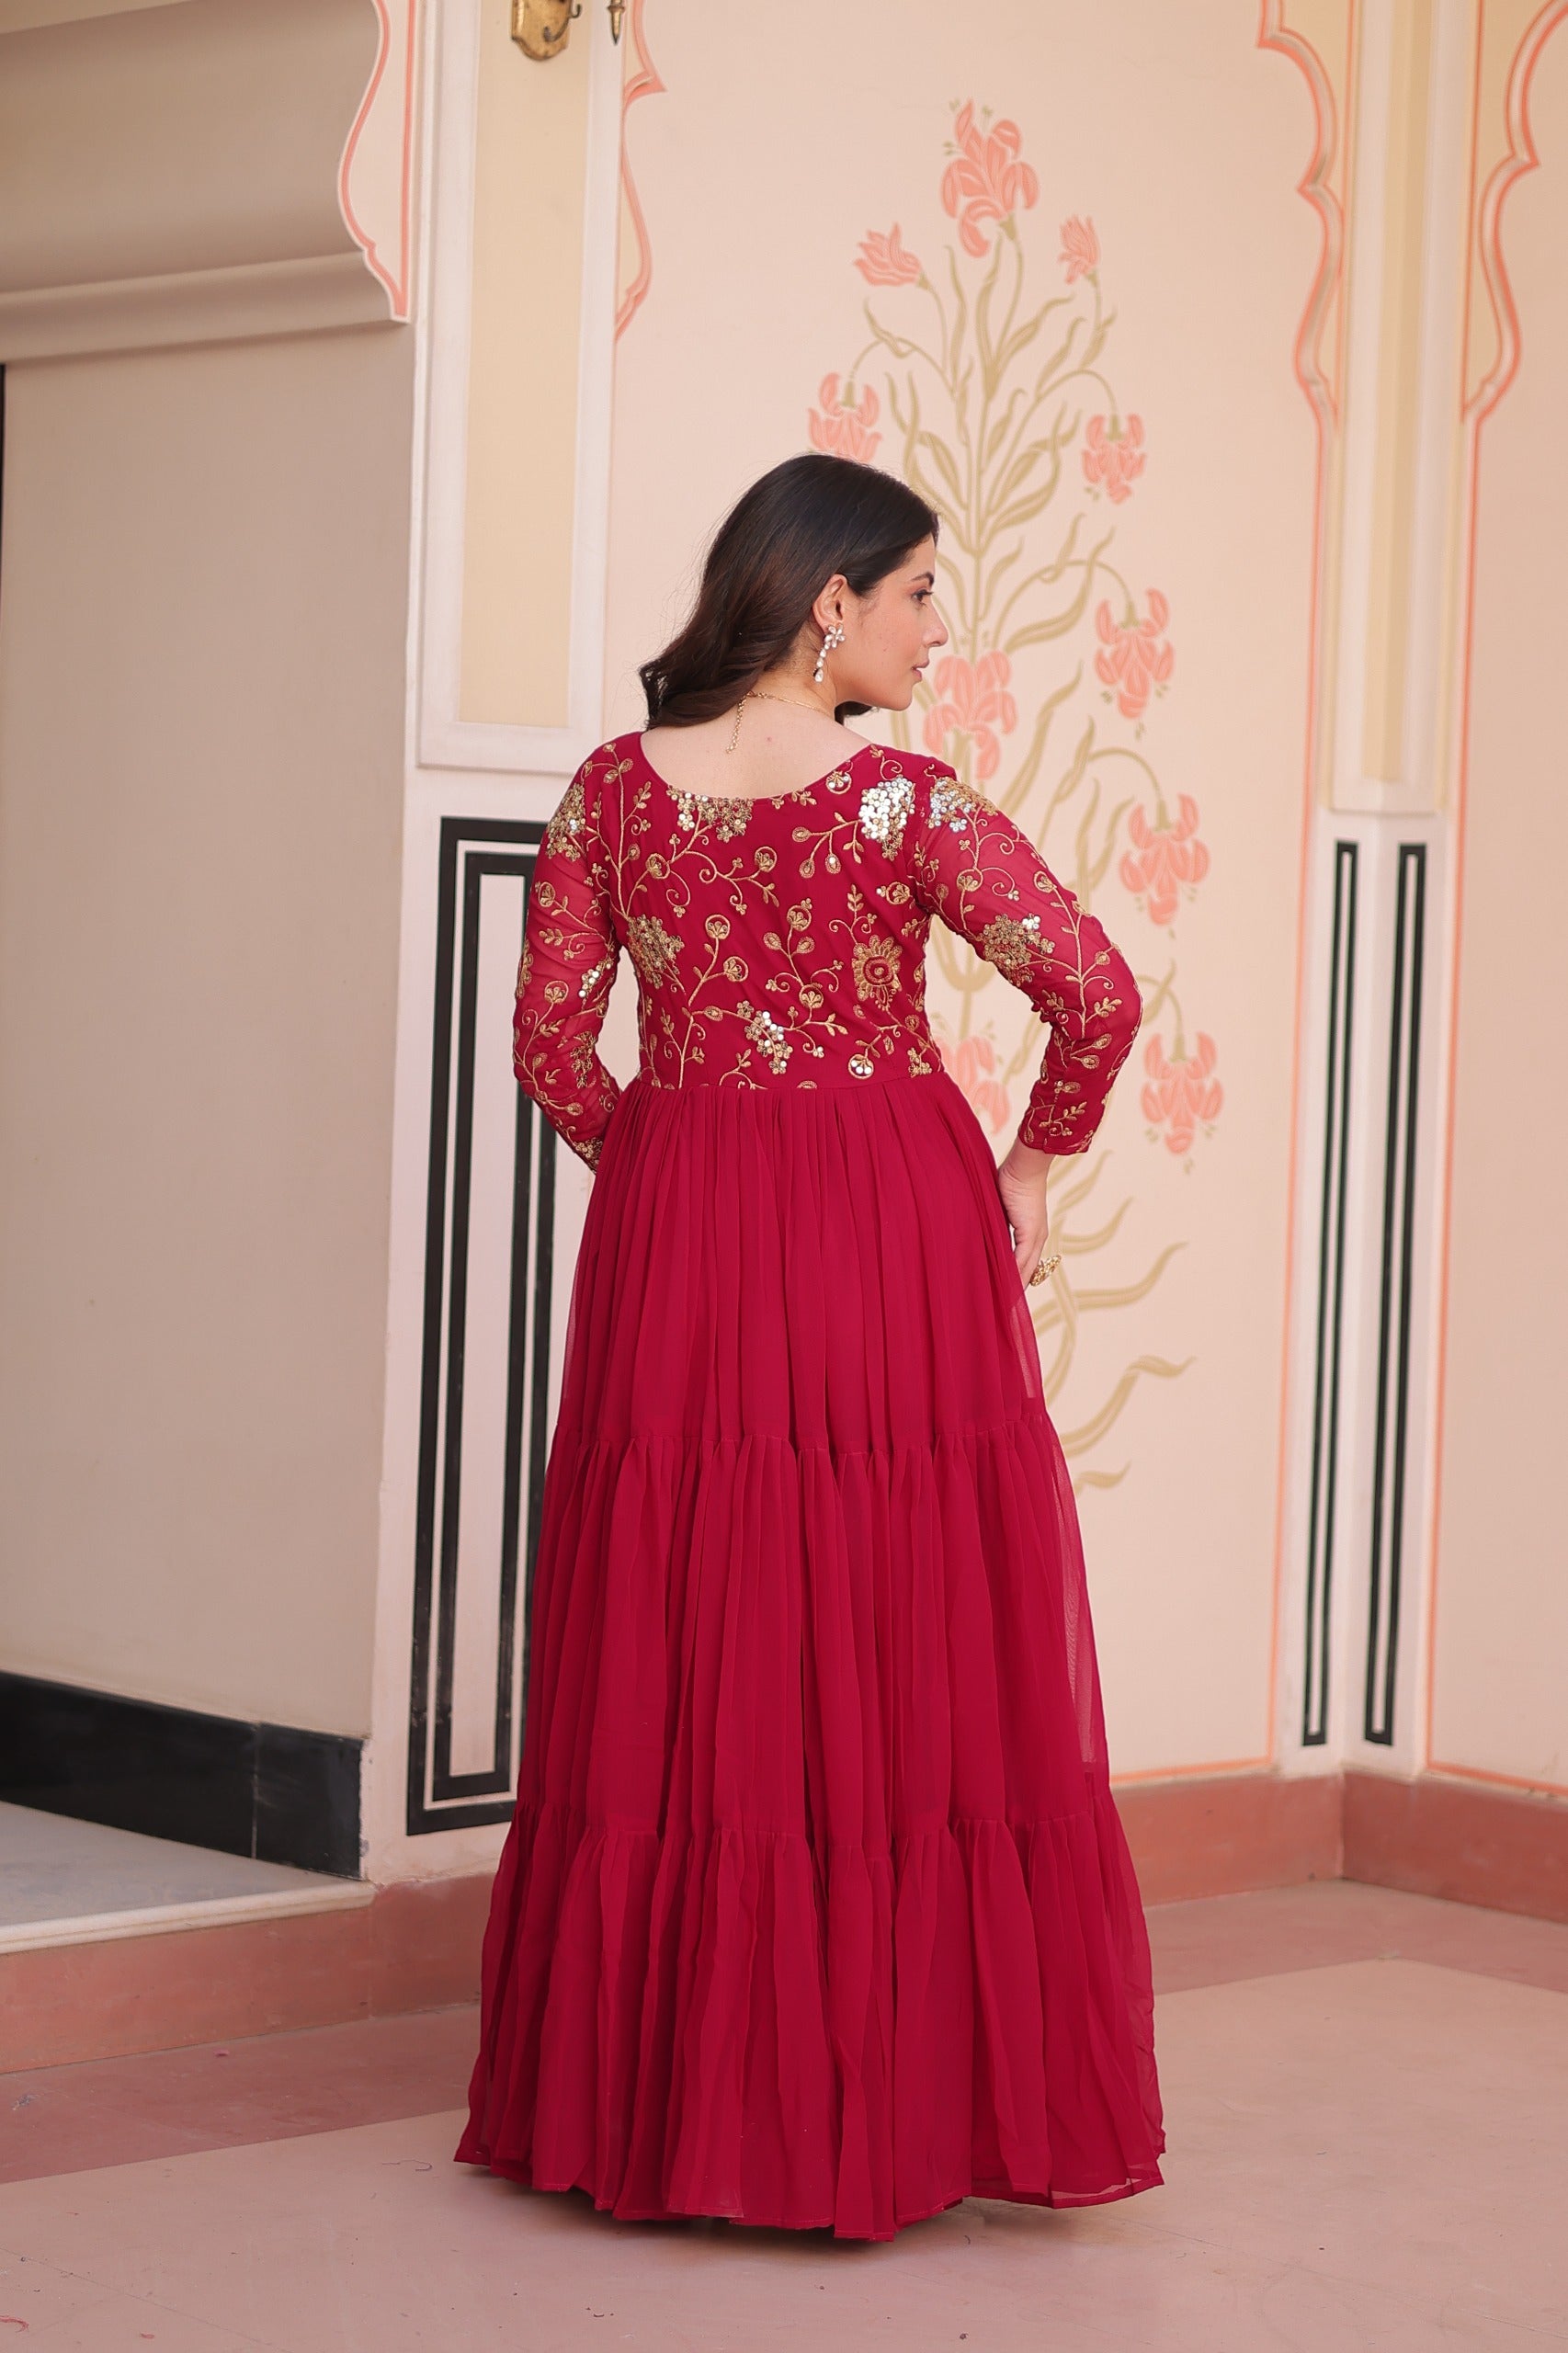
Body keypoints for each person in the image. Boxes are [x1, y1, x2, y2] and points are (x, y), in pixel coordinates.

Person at [456, 451, 1165, 2240]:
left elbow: (549, 1052)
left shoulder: (610, 794)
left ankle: (672, 2112)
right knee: (883, 1617)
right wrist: (1024, 1165)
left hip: (681, 1240)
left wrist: (668, 1165)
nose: (936, 630)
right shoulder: (900, 804)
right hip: (887, 1234)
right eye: (918, 593)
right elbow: (1093, 990)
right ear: (828, 602)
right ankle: (885, 2104)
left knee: (699, 1621)